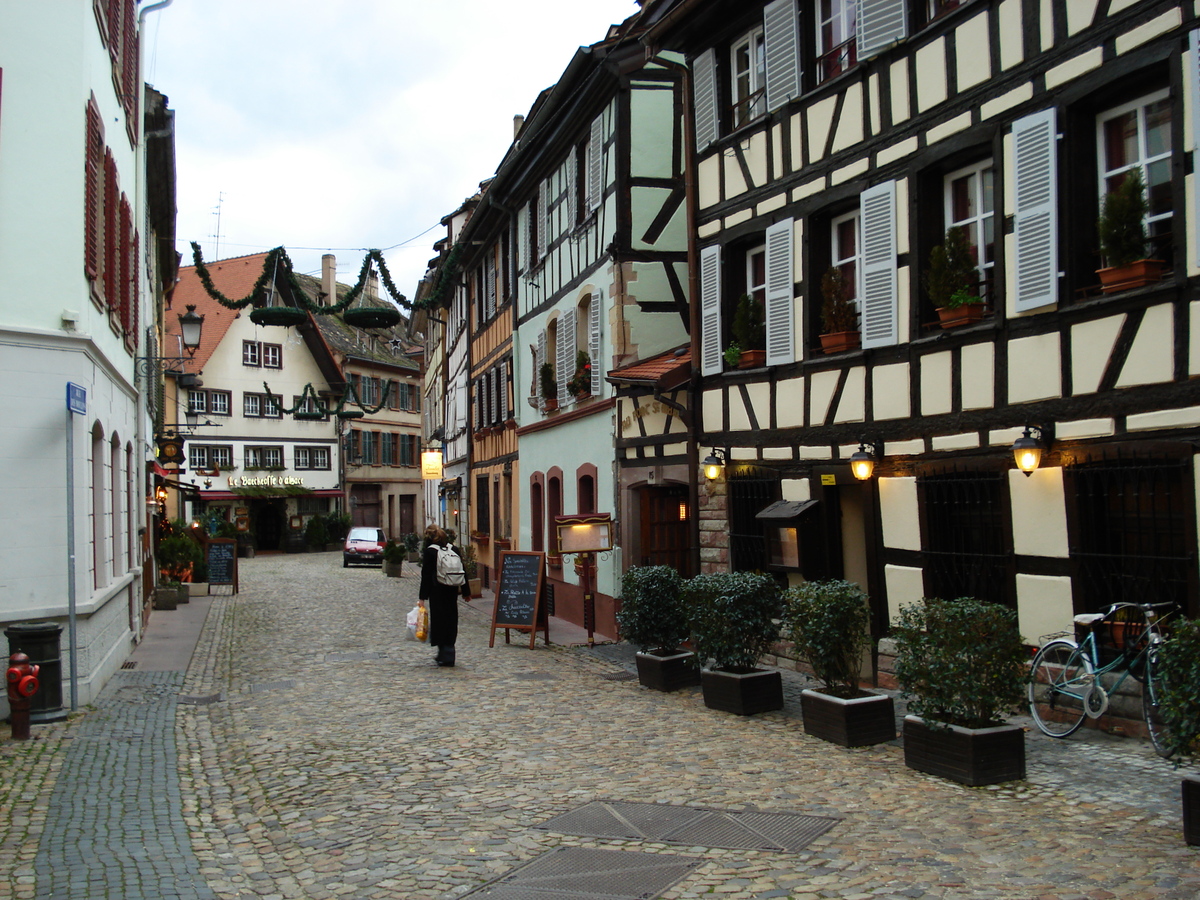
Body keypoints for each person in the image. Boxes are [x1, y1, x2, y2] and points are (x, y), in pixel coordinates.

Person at [418, 525, 469, 666]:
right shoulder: (453, 549)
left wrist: (422, 597)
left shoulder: (430, 552)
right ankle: (449, 651)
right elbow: (463, 570)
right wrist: (466, 591)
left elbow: (426, 576)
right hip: (452, 590)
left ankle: (444, 654)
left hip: (437, 590)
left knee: (439, 621)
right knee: (451, 620)